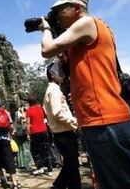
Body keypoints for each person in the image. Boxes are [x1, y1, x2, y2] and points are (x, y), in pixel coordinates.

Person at [40, 0, 130, 189]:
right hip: (98, 119)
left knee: (125, 182)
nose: (57, 15)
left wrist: (46, 29)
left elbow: (47, 49)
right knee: (110, 182)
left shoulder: (87, 23)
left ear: (77, 8)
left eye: (60, 10)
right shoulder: (84, 34)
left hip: (104, 118)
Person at [43, 61, 81, 189]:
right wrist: (75, 122)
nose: (63, 75)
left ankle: (58, 185)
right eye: (59, 72)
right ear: (52, 75)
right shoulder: (54, 90)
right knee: (72, 165)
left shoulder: (53, 90)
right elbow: (58, 112)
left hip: (61, 133)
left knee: (70, 164)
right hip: (64, 134)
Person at [25, 95, 53, 176]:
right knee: (45, 149)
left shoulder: (29, 110)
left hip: (35, 132)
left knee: (35, 150)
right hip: (44, 131)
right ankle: (49, 169)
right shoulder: (41, 108)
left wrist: (28, 134)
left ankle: (40, 167)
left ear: (29, 102)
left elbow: (28, 123)